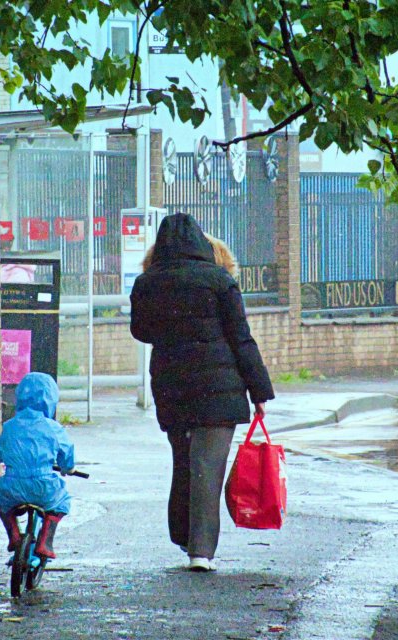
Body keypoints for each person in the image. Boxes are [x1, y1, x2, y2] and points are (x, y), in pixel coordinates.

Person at [130, 213, 274, 572]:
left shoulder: (147, 284)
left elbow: (141, 333)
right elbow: (241, 338)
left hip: (172, 386)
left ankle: (183, 535)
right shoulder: (219, 281)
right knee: (207, 466)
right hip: (219, 389)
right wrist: (260, 391)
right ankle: (200, 551)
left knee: (184, 462)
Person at [0, 372, 75, 559]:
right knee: (62, 500)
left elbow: (1, 452)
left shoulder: (9, 426)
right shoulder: (52, 427)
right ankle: (45, 542)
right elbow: (66, 452)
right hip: (44, 487)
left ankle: (14, 536)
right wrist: (67, 467)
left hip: (11, 486)